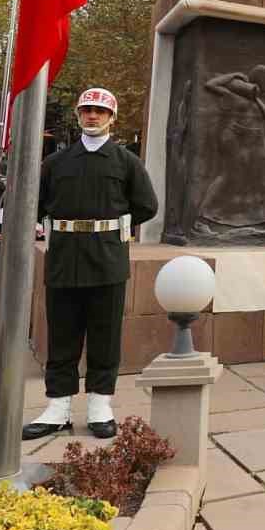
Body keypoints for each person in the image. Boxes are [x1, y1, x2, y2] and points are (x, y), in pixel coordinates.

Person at [24, 88, 160, 440]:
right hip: (65, 257)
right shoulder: (56, 163)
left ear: (112, 118)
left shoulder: (126, 161)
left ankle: (101, 404)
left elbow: (146, 205)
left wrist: (114, 226)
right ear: (78, 115)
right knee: (62, 334)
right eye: (87, 110)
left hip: (107, 258)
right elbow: (35, 204)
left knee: (105, 334)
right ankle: (58, 407)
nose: (93, 116)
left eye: (100, 111)